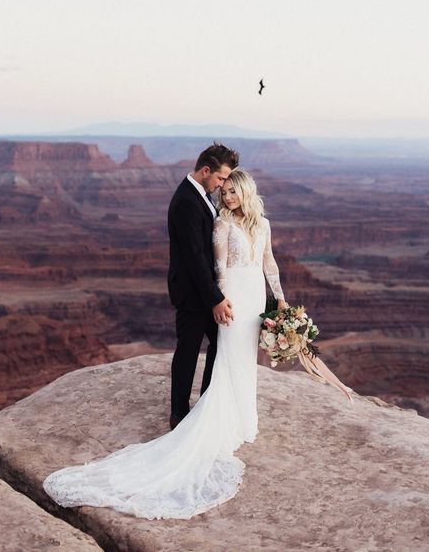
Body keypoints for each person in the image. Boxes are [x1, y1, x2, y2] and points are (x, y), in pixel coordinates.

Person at [43, 168, 288, 519]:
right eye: (225, 190)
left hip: (254, 299)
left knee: (245, 359)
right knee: (227, 358)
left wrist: (279, 300)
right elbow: (217, 268)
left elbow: (270, 263)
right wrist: (217, 301)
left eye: (233, 191)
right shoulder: (222, 223)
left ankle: (242, 419)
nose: (227, 196)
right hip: (231, 296)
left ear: (246, 192)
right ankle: (216, 421)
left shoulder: (262, 224)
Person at [167, 142, 240, 430]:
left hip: (203, 290)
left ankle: (207, 405)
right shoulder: (187, 200)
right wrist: (215, 299)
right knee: (188, 350)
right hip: (192, 293)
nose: (223, 186)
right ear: (206, 170)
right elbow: (194, 256)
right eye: (221, 179)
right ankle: (179, 414)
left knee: (219, 344)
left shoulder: (200, 195)